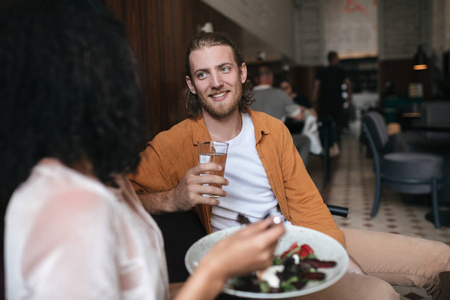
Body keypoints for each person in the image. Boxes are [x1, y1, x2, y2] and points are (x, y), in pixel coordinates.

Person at [130, 31, 450, 300]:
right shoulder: (174, 143)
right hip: (253, 262)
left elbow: (307, 202)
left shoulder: (273, 129)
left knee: (440, 258)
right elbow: (119, 197)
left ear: (242, 72)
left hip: (300, 235)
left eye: (224, 69)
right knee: (378, 294)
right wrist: (173, 198)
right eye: (203, 74)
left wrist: (339, 253)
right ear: (191, 84)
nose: (215, 82)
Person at [1, 2, 285, 299]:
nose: (134, 79)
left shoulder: (108, 179)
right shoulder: (67, 205)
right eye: (119, 67)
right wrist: (216, 269)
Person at [251, 65, 312, 165]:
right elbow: (299, 116)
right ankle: (297, 177)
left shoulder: (246, 96)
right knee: (305, 141)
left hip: (253, 143)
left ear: (256, 79)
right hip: (276, 143)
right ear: (271, 78)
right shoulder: (280, 94)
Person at [312, 51, 353, 145]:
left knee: (325, 126)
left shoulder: (322, 71)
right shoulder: (341, 71)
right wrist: (350, 99)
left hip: (324, 103)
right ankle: (336, 144)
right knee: (338, 126)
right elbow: (348, 85)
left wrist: (314, 102)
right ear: (335, 59)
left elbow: (316, 87)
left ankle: (328, 146)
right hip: (337, 103)